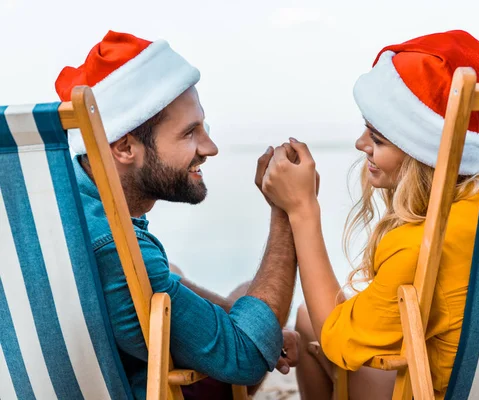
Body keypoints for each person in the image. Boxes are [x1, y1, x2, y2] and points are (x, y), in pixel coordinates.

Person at [260, 30, 479, 399]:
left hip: (437, 391)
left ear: (422, 152)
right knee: (310, 319)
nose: (361, 145)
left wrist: (301, 209)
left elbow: (336, 340)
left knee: (316, 324)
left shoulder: (420, 245)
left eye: (378, 138)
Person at [55, 31, 299, 399]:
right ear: (125, 147)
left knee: (186, 281)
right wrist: (287, 210)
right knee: (249, 310)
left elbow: (156, 279)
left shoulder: (54, 206)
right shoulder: (117, 249)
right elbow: (246, 357)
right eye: (190, 133)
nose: (210, 148)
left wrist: (235, 312)